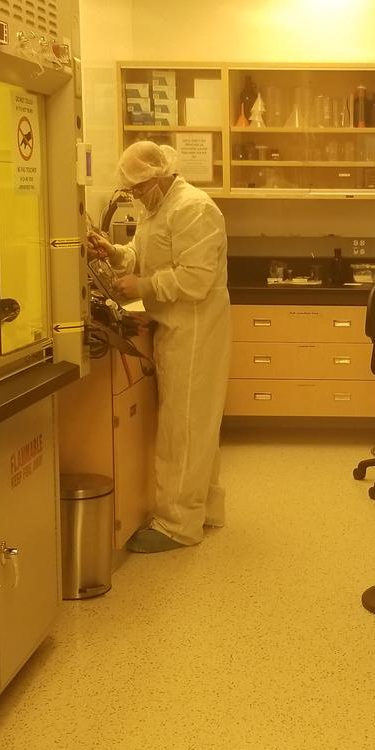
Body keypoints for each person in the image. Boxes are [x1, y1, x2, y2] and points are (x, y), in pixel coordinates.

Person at [88, 141, 230, 552]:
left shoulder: (193, 208)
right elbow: (143, 253)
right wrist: (115, 254)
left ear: (160, 173)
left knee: (181, 430)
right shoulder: (158, 208)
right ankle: (205, 510)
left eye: (138, 186)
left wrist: (144, 286)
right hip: (177, 326)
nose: (134, 195)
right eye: (130, 189)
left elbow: (195, 278)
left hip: (196, 329)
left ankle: (178, 525)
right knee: (196, 427)